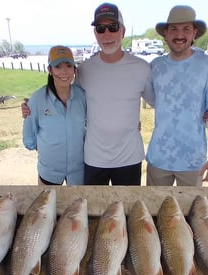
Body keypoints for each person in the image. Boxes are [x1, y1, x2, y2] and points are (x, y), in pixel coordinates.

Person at [22, 2, 154, 186]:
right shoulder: (85, 69)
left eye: (112, 27)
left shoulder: (142, 68)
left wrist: (200, 109)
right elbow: (67, 98)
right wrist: (33, 108)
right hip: (93, 159)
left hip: (129, 158)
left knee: (127, 210)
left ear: (122, 31)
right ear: (95, 34)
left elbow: (160, 103)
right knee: (91, 210)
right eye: (100, 29)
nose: (106, 34)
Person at [146, 5, 208, 186]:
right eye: (173, 29)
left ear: (194, 33)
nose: (179, 35)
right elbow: (153, 100)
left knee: (192, 213)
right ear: (165, 34)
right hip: (158, 158)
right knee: (154, 211)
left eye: (186, 29)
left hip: (193, 160)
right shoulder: (155, 66)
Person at [22, 45, 86, 185]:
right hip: (48, 172)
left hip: (79, 172)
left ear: (74, 69)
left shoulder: (82, 96)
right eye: (57, 66)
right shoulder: (37, 99)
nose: (64, 71)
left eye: (69, 66)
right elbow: (29, 139)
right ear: (50, 70)